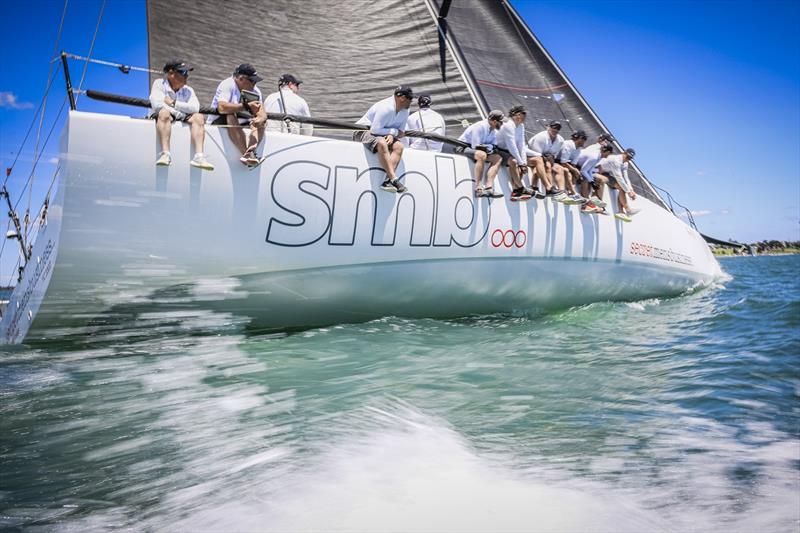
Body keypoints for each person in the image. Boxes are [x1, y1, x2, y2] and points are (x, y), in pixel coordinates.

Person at [149, 59, 213, 170]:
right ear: (170, 73)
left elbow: (195, 108)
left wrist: (174, 103)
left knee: (199, 117)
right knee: (164, 113)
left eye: (187, 73)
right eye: (183, 72)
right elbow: (157, 105)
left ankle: (199, 157)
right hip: (166, 116)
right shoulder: (159, 83)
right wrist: (181, 113)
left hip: (179, 115)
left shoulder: (189, 90)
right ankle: (165, 154)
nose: (186, 76)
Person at [355, 85, 414, 193]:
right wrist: (392, 132)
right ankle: (394, 179)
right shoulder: (386, 108)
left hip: (380, 133)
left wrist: (392, 134)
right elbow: (374, 130)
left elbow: (400, 132)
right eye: (410, 99)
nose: (411, 101)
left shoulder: (406, 110)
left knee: (399, 146)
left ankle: (387, 182)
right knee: (382, 143)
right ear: (401, 98)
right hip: (363, 130)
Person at [208, 63, 267, 167]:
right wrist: (246, 106)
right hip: (218, 120)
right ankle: (246, 154)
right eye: (252, 81)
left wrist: (260, 119)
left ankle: (250, 152)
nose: (254, 84)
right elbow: (222, 108)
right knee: (231, 114)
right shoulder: (228, 84)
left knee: (262, 122)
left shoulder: (255, 91)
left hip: (241, 122)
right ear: (241, 78)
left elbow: (262, 113)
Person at [457, 110, 510, 199]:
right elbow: (476, 146)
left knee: (498, 158)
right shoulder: (480, 126)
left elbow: (493, 146)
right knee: (481, 155)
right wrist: (489, 147)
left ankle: (489, 187)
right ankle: (478, 188)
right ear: (494, 122)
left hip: (479, 149)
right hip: (462, 147)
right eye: (502, 123)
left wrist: (490, 147)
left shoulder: (494, 130)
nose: (503, 125)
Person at [495, 105, 535, 201]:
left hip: (508, 151)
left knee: (521, 166)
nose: (524, 117)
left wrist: (524, 162)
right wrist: (521, 163)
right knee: (514, 161)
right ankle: (520, 188)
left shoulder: (521, 126)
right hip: (498, 149)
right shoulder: (508, 125)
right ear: (515, 115)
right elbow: (512, 146)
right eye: (522, 114)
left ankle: (516, 192)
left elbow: (521, 145)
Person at [594, 148, 641, 222]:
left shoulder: (626, 163)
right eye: (627, 157)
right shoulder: (616, 160)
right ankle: (627, 210)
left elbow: (626, 178)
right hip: (597, 171)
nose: (628, 159)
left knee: (622, 188)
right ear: (624, 153)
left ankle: (622, 212)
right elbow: (619, 178)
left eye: (630, 158)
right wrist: (629, 192)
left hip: (607, 174)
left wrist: (631, 190)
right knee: (621, 186)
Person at [527, 121, 567, 201]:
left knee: (560, 168)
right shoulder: (541, 137)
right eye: (553, 127)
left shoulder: (560, 140)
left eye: (558, 128)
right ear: (548, 127)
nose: (555, 130)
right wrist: (548, 159)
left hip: (544, 159)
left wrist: (551, 157)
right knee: (545, 165)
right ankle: (546, 188)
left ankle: (561, 192)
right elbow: (536, 155)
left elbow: (553, 155)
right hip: (529, 157)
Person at [553, 130, 588, 203]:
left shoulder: (578, 149)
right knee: (567, 171)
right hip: (554, 160)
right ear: (580, 138)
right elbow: (563, 162)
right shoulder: (568, 144)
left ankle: (571, 193)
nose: (585, 141)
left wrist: (576, 172)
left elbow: (573, 164)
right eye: (584, 139)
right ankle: (571, 192)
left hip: (563, 162)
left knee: (575, 174)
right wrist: (574, 170)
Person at [579, 144, 613, 214]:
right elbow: (583, 171)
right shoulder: (594, 157)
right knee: (586, 179)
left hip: (582, 168)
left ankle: (594, 199)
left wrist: (592, 181)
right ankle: (584, 205)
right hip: (575, 166)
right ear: (606, 151)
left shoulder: (599, 157)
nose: (609, 155)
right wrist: (591, 181)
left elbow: (590, 170)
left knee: (599, 179)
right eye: (609, 153)